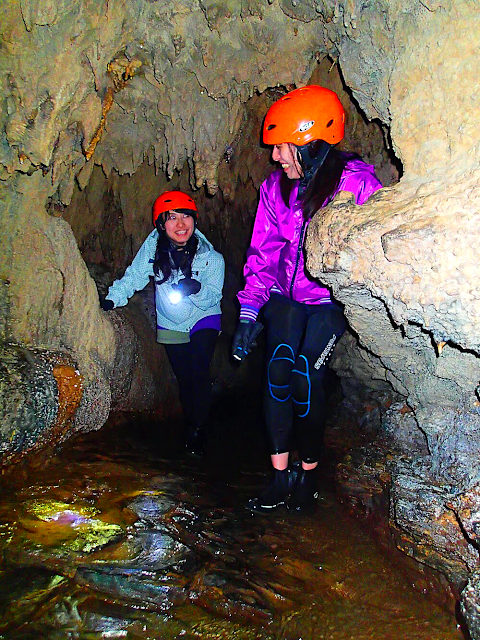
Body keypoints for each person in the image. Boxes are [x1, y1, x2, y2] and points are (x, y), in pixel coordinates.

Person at [232, 85, 382, 513]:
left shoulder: (357, 184)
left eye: (282, 147)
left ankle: (309, 474)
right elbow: (263, 252)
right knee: (277, 369)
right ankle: (281, 475)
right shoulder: (276, 190)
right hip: (284, 296)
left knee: (305, 374)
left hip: (327, 301)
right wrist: (248, 312)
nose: (274, 156)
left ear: (312, 145)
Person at [101, 190, 225, 457]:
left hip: (205, 315)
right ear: (161, 224)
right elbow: (134, 276)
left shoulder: (212, 259)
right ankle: (192, 419)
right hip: (171, 319)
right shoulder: (153, 249)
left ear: (195, 220)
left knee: (198, 369)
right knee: (184, 377)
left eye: (186, 217)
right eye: (172, 218)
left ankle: (198, 428)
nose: (181, 224)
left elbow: (212, 298)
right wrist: (113, 300)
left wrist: (196, 288)